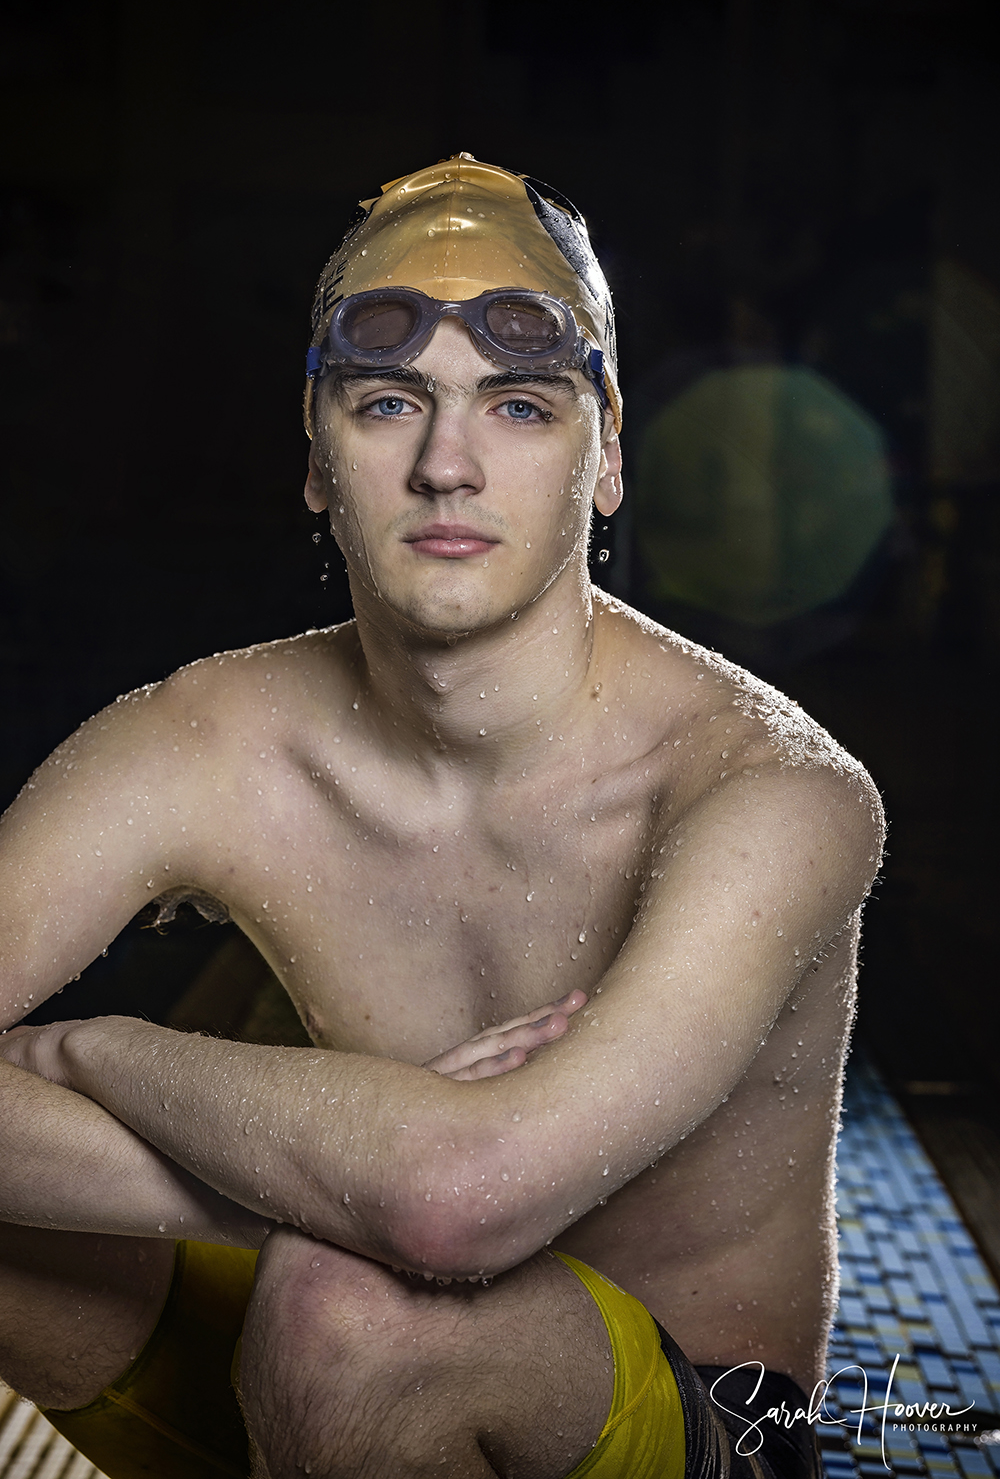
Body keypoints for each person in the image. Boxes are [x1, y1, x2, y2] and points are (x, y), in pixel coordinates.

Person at [0, 152, 883, 1479]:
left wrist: (91, 1055)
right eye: (386, 401)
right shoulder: (198, 743)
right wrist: (339, 1179)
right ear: (315, 459)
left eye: (520, 407)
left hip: (701, 1420)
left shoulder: (768, 794)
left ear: (608, 457)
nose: (447, 464)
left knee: (351, 1320)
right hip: (319, 1358)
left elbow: (456, 1204)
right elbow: (406, 1199)